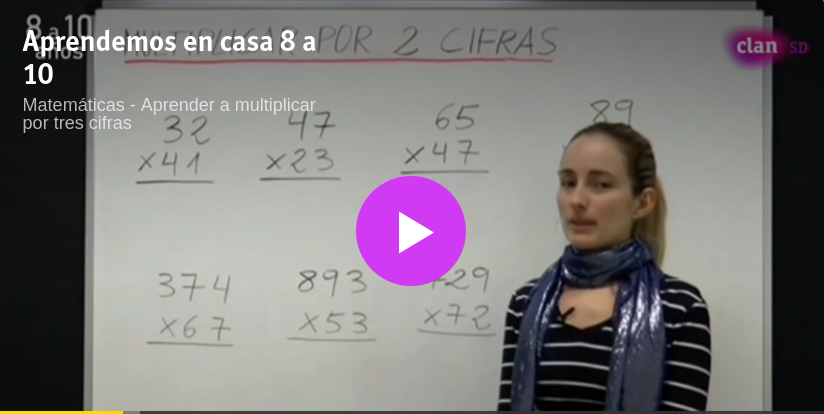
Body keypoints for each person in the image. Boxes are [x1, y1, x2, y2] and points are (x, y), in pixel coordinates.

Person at [497, 122, 711, 411]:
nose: (577, 200)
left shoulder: (679, 307)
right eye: (568, 182)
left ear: (643, 202)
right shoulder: (525, 303)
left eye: (601, 185)